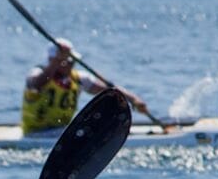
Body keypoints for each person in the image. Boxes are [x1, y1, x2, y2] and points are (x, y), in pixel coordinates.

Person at [21, 38, 149, 135]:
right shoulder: (37, 74)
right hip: (36, 133)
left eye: (73, 62)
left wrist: (133, 99)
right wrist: (56, 60)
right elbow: (36, 84)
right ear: (56, 61)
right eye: (69, 61)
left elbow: (110, 91)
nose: (72, 65)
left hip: (60, 132)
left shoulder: (78, 79)